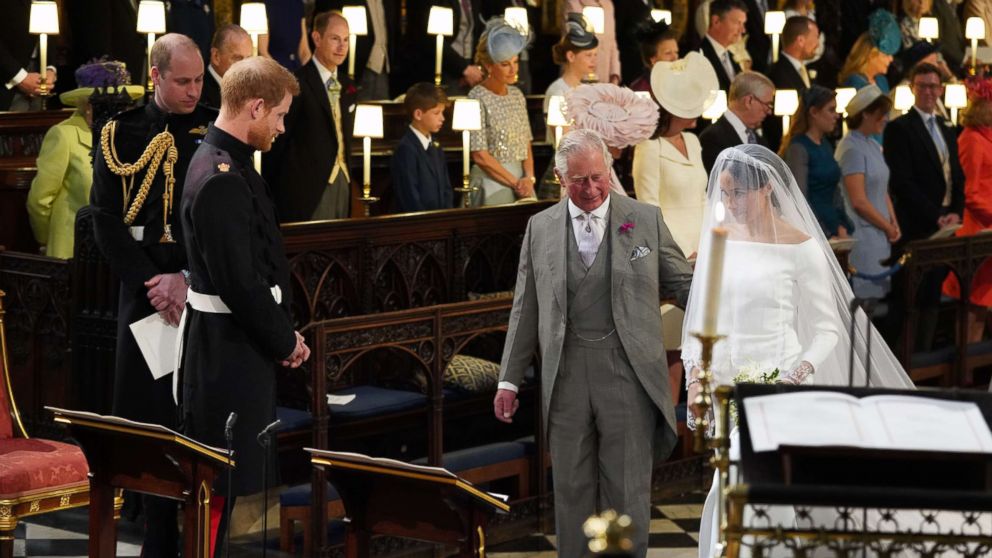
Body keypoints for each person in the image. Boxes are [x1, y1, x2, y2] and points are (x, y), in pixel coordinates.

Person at [682, 144, 915, 558]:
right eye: (724, 193)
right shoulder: (720, 242)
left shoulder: (801, 246)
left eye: (738, 193)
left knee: (748, 483)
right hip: (726, 381)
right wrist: (696, 377)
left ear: (767, 188)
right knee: (729, 480)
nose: (729, 203)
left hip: (780, 383)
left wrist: (795, 374)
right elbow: (701, 318)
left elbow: (827, 327)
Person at [494, 128, 693, 558]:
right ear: (561, 180)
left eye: (598, 177)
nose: (591, 189)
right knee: (571, 491)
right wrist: (508, 380)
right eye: (579, 180)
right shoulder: (540, 227)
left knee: (627, 490)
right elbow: (524, 306)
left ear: (610, 170)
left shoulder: (644, 218)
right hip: (565, 375)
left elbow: (684, 285)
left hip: (627, 373)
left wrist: (729, 306)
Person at [88, 33, 216, 557]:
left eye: (199, 79)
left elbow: (219, 221)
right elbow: (104, 219)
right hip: (144, 294)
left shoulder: (214, 127)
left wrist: (186, 278)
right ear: (156, 75)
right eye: (182, 81)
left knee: (192, 417)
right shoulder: (120, 130)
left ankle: (190, 533)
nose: (193, 91)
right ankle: (150, 532)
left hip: (199, 293)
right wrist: (153, 283)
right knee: (145, 420)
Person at [179, 56, 309, 557]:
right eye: (277, 115)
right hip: (227, 357)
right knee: (230, 489)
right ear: (255, 107)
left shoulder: (226, 163)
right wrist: (284, 340)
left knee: (250, 483)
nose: (280, 127)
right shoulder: (220, 176)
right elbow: (240, 283)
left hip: (240, 350)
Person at [27, 60, 143, 259]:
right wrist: (46, 239)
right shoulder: (64, 135)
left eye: (121, 105)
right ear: (87, 106)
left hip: (118, 253)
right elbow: (39, 200)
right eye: (105, 105)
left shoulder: (127, 136)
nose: (116, 112)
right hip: (72, 251)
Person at [885, 62, 965, 350]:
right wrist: (936, 215)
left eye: (934, 86)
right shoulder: (899, 128)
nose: (929, 92)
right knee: (912, 299)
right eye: (923, 86)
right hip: (917, 226)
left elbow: (956, 174)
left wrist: (956, 210)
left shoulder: (947, 127)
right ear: (912, 89)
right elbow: (902, 183)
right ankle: (907, 362)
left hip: (946, 224)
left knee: (933, 295)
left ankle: (926, 358)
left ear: (941, 89)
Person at [264, 11, 357, 222]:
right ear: (316, 38)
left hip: (342, 182)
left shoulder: (349, 85)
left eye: (346, 39)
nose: (342, 46)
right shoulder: (297, 83)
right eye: (335, 39)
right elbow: (279, 143)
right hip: (306, 188)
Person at [633, 51, 717, 257]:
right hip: (671, 251)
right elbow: (649, 207)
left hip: (704, 247)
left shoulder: (693, 141)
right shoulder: (649, 146)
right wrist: (682, 251)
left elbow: (702, 198)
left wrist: (710, 240)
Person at [836, 85, 899, 299]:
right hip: (864, 235)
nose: (885, 119)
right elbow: (858, 201)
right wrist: (887, 226)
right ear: (865, 114)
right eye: (881, 114)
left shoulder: (872, 145)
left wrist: (893, 222)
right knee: (864, 306)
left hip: (880, 231)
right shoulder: (851, 149)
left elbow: (882, 189)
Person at [944, 77, 992, 342]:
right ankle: (965, 371)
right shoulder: (972, 139)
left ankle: (973, 372)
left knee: (981, 304)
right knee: (972, 303)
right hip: (977, 229)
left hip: (988, 228)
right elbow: (971, 193)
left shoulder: (986, 137)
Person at [468, 18, 535, 206]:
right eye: (505, 64)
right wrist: (516, 183)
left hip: (522, 182)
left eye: (515, 62)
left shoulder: (517, 95)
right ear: (489, 66)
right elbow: (480, 155)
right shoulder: (477, 96)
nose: (513, 69)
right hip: (491, 180)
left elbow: (526, 144)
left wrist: (529, 178)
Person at [780, 85, 852, 239]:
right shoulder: (798, 148)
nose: (837, 116)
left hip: (833, 227)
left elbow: (835, 191)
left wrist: (841, 224)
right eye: (831, 110)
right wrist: (824, 233)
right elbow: (800, 198)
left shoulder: (824, 143)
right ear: (813, 112)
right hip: (816, 230)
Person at [390, 83, 453, 212]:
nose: (442, 118)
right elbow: (410, 196)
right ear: (418, 114)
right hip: (420, 225)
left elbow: (446, 188)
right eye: (436, 113)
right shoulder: (406, 149)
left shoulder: (435, 146)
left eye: (443, 112)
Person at [318, 0, 397, 99]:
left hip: (383, 67)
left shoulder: (387, 3)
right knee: (357, 105)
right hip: (359, 65)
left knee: (382, 107)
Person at [699, 71, 775, 173]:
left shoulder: (759, 138)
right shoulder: (711, 138)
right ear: (749, 101)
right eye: (767, 104)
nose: (769, 111)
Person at [763, 16, 819, 152]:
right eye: (815, 37)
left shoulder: (802, 69)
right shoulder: (778, 73)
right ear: (800, 40)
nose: (818, 43)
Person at [544, 13, 599, 143]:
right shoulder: (557, 91)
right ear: (571, 56)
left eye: (595, 55)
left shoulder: (586, 89)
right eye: (588, 55)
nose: (594, 60)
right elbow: (563, 139)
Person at [0, 1, 56, 111]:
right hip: (6, 78)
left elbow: (49, 17)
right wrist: (20, 77)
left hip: (40, 76)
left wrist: (50, 68)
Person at [838, 10, 901, 93]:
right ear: (871, 55)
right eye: (886, 55)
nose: (891, 59)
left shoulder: (882, 81)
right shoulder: (855, 82)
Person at [564, 0, 620, 84]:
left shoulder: (608, 4)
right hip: (579, 76)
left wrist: (615, 74)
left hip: (604, 74)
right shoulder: (573, 3)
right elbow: (572, 40)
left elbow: (612, 42)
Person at [699, 0, 748, 92]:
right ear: (716, 21)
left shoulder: (731, 56)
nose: (743, 30)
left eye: (743, 24)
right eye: (738, 23)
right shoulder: (698, 55)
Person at [202, 24, 253, 110]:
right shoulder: (198, 93)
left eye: (248, 58)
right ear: (216, 57)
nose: (245, 66)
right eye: (237, 58)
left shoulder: (254, 87)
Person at [628, 18, 680, 92]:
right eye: (668, 53)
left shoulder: (679, 83)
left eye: (676, 52)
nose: (675, 58)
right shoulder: (640, 90)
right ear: (653, 59)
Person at [260, 0, 311, 73]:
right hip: (273, 71)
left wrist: (308, 75)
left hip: (297, 69)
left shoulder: (298, 3)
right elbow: (263, 52)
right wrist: (283, 75)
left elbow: (304, 51)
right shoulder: (265, 4)